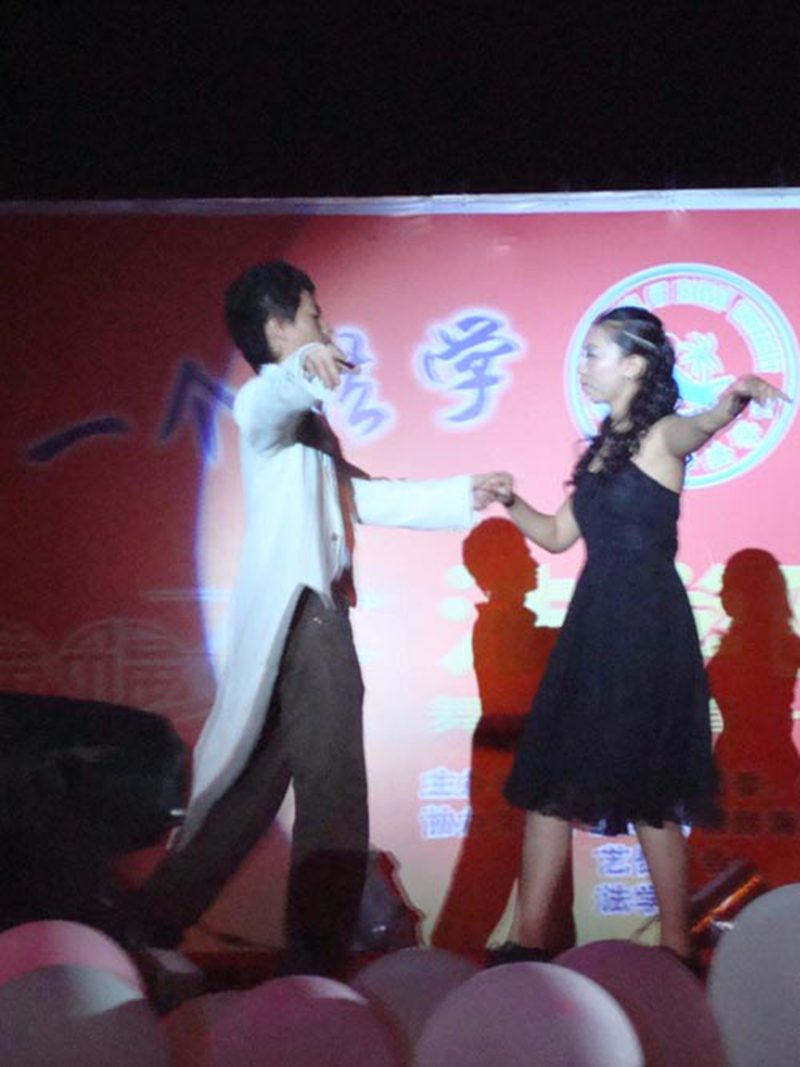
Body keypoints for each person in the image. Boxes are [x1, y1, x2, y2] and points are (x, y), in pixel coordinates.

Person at [129, 260, 509, 977]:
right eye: (313, 316)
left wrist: (464, 492)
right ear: (277, 328)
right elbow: (268, 402)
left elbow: (361, 498)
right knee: (334, 787)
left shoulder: (306, 429)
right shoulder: (265, 407)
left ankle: (151, 919)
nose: (326, 328)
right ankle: (316, 957)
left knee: (250, 792)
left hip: (303, 618)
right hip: (308, 616)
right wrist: (303, 369)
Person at [489, 306, 789, 965]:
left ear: (633, 364)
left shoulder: (662, 434)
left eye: (594, 353)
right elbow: (558, 535)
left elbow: (700, 426)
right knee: (548, 781)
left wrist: (734, 399)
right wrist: (509, 500)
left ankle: (676, 950)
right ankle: (525, 944)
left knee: (654, 791)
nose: (584, 365)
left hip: (647, 627)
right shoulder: (602, 447)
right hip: (593, 626)